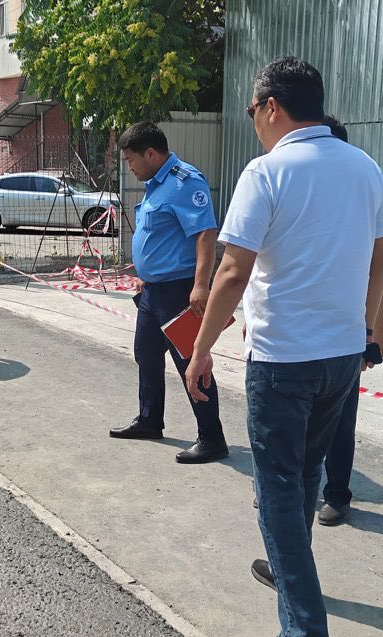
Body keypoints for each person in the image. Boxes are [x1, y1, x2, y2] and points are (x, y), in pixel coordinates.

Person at [184, 57, 383, 637]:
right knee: (304, 473)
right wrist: (369, 331)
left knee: (276, 488)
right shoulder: (364, 166)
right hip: (340, 356)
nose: (252, 120)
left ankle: (304, 636)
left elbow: (232, 270)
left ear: (272, 106)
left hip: (284, 358)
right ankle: (286, 564)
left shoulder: (267, 172)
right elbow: (382, 259)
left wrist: (200, 349)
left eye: (253, 109)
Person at [109, 121, 228, 464]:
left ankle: (212, 437)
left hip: (179, 291)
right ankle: (149, 420)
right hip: (153, 291)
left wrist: (201, 284)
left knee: (192, 362)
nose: (129, 167)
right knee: (146, 354)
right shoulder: (156, 184)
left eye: (131, 160)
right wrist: (147, 274)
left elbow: (205, 234)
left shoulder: (184, 182)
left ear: (150, 154)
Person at [315, 115, 383, 526]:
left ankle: (337, 493)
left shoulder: (363, 195)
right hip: (300, 330)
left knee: (340, 421)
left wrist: (376, 334)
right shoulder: (303, 193)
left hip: (346, 331)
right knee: (292, 419)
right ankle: (287, 489)